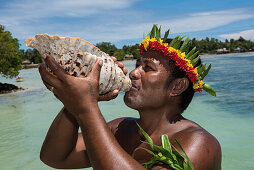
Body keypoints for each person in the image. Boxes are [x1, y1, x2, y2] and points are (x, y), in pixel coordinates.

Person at [38, 26, 221, 170]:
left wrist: (86, 109)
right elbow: (55, 157)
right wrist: (74, 102)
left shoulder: (200, 144)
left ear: (177, 86)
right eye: (136, 65)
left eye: (147, 68)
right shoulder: (120, 128)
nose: (133, 73)